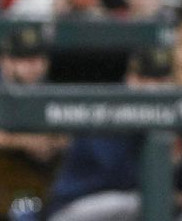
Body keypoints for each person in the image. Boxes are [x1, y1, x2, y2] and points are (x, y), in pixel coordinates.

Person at [45, 46, 174, 221]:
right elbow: (116, 175)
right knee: (144, 203)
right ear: (131, 78)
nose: (155, 87)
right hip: (78, 204)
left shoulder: (173, 112)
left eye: (162, 80)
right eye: (147, 78)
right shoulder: (108, 107)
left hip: (121, 205)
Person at [0, 26, 67, 220]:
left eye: (38, 59)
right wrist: (25, 141)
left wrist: (52, 143)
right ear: (4, 62)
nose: (34, 66)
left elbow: (75, 134)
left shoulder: (50, 92)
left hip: (40, 187)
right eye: (25, 60)